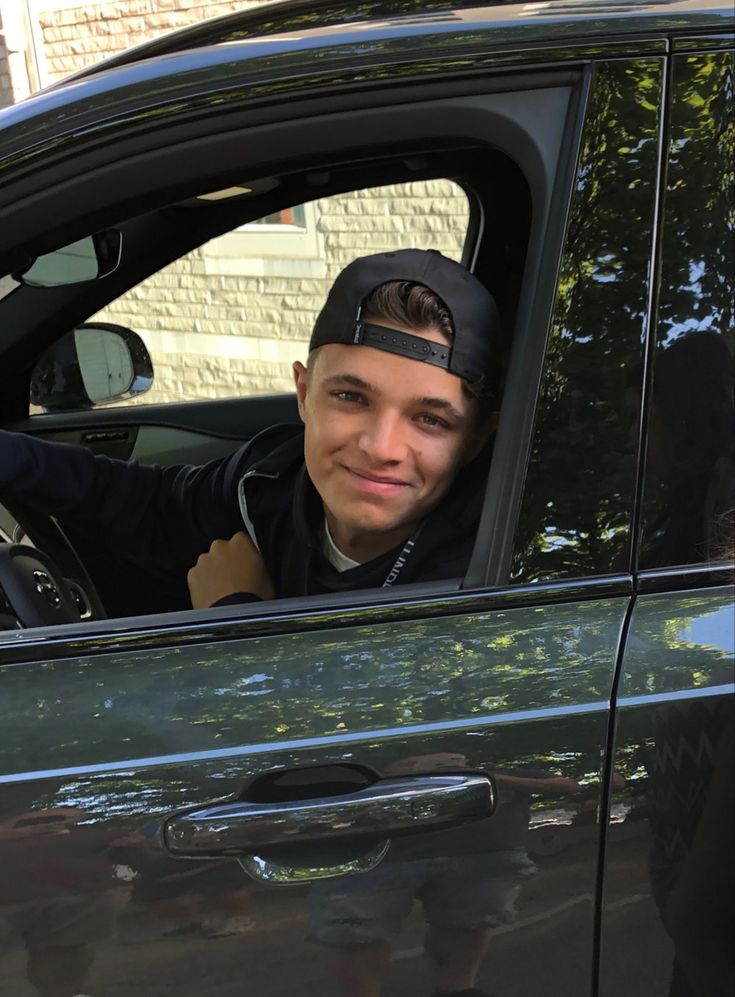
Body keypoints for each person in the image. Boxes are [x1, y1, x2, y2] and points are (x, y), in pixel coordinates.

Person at [0, 249, 501, 611]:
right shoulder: (268, 480)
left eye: (430, 420)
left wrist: (231, 611)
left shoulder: (491, 567)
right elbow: (144, 504)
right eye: (351, 397)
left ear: (475, 438)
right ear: (303, 394)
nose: (381, 447)